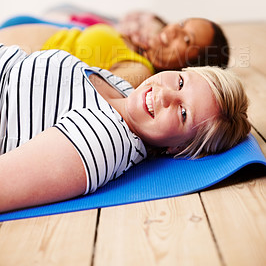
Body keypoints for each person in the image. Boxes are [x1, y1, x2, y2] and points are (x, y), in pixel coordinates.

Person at [0, 43, 250, 213]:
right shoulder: (123, 89)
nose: (165, 95)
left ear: (178, 147)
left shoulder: (104, 138)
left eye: (183, 113)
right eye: (181, 82)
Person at [0, 11, 229, 88]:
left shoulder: (140, 70)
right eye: (181, 23)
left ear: (190, 66)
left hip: (11, 70)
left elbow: (87, 90)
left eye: (187, 39)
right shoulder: (135, 44)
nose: (172, 31)